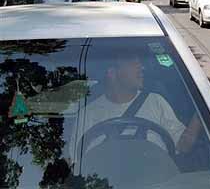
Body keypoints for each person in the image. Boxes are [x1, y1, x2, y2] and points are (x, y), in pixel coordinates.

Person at [69, 53, 201, 163]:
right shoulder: (88, 114)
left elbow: (183, 145)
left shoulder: (156, 102)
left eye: (140, 62)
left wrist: (200, 115)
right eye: (132, 62)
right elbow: (75, 163)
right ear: (112, 73)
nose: (141, 67)